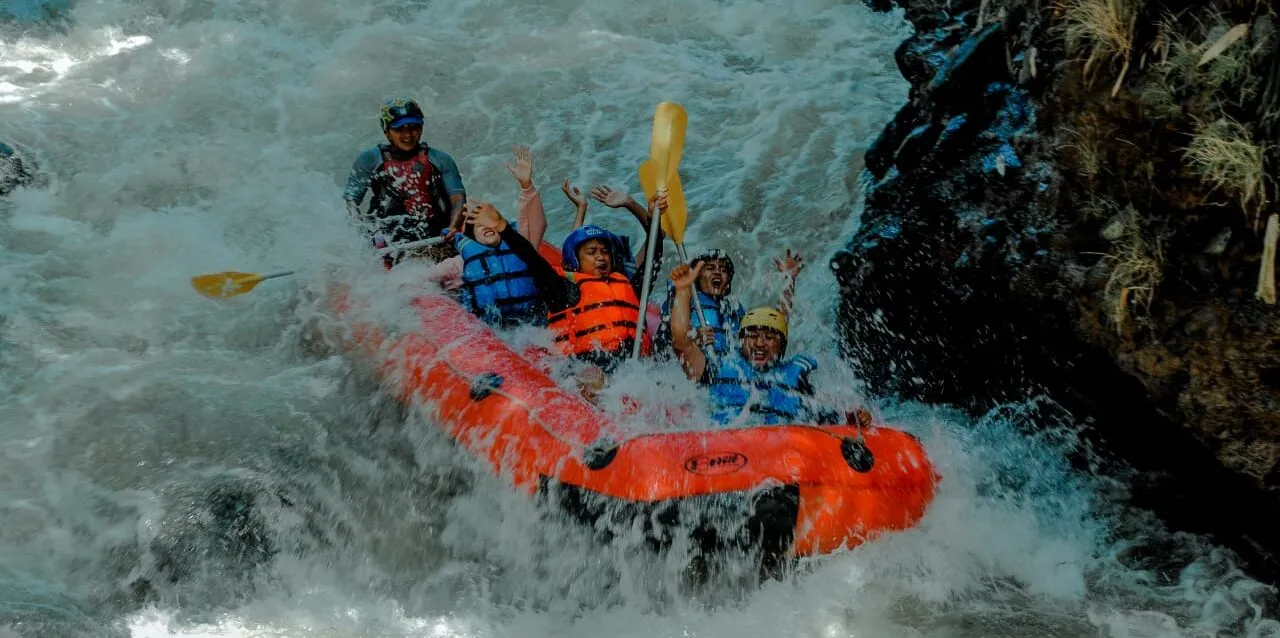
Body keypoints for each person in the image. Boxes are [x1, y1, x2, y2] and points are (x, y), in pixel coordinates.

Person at [667, 260, 837, 426]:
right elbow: (682, 344)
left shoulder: (797, 374)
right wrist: (682, 291)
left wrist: (856, 417)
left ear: (781, 345)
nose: (760, 343)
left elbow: (835, 412)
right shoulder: (717, 368)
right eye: (753, 336)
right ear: (741, 341)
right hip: (727, 448)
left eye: (769, 338)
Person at [422, 146, 550, 327]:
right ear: (471, 236)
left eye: (491, 223)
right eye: (479, 225)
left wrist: (526, 186)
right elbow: (425, 278)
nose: (487, 227)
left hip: (531, 328)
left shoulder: (522, 247)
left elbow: (536, 223)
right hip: (491, 332)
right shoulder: (459, 263)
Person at [343, 97, 466, 268]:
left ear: (421, 128)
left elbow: (458, 198)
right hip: (390, 242)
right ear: (387, 132)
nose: (408, 135)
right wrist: (365, 235)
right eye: (399, 129)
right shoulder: (370, 160)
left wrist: (453, 227)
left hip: (437, 237)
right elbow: (351, 201)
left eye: (413, 128)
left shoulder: (440, 159)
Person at [655, 249, 744, 358]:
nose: (717, 272)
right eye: (710, 268)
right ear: (697, 276)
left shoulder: (733, 308)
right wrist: (692, 337)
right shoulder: (683, 301)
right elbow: (663, 342)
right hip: (690, 365)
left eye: (723, 270)